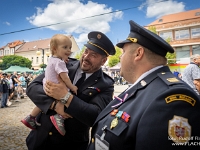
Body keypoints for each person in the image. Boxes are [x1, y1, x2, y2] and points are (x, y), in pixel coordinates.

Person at [87, 20, 200, 150]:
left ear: (138, 54)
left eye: (123, 52)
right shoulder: (144, 86)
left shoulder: (173, 98)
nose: (120, 58)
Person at [26, 31, 116, 150]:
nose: (86, 57)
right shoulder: (63, 64)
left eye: (93, 55)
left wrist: (66, 96)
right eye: (86, 51)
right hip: (40, 139)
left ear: (103, 61)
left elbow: (95, 116)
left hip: (70, 144)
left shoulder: (106, 84)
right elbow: (33, 87)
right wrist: (54, 104)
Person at [21, 34, 78, 136]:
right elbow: (65, 78)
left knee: (46, 101)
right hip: (55, 87)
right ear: (55, 49)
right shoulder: (60, 63)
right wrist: (72, 87)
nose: (69, 50)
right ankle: (59, 117)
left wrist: (63, 58)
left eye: (70, 47)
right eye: (65, 47)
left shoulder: (52, 59)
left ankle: (31, 117)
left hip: (46, 85)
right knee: (65, 97)